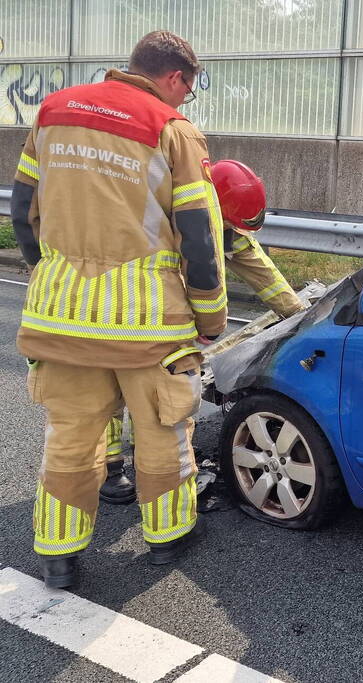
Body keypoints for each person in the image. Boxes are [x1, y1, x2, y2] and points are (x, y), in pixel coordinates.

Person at [12, 30, 226, 587]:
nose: (184, 100)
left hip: (60, 316)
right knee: (163, 431)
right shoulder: (173, 130)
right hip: (147, 325)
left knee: (71, 436)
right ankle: (168, 538)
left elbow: (21, 208)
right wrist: (210, 318)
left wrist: (49, 273)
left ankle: (58, 556)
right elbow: (200, 234)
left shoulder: (53, 112)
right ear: (176, 77)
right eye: (188, 89)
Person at [98, 159, 305, 505]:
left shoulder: (224, 228)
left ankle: (151, 464)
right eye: (227, 224)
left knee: (154, 396)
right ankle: (110, 468)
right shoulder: (162, 220)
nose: (231, 234)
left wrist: (299, 316)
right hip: (122, 311)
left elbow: (262, 273)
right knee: (114, 391)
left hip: (168, 323)